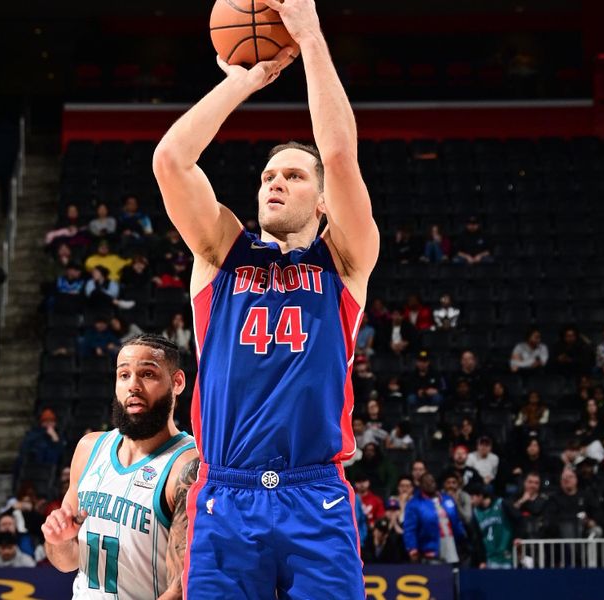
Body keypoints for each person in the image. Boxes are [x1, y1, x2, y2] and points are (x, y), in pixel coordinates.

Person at [152, 2, 378, 595]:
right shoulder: (222, 252)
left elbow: (339, 156)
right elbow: (172, 161)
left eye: (294, 176)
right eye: (267, 176)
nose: (275, 181)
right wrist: (242, 80)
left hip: (315, 495)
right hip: (225, 492)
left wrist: (309, 33)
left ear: (323, 202)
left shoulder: (344, 260)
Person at [42, 334, 198, 599]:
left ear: (177, 382)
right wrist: (58, 540)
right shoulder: (89, 448)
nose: (133, 386)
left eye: (147, 374)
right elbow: (66, 562)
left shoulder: (187, 465)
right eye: (124, 375)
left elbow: (180, 588)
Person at [403, 473, 466, 565]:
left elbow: (456, 520)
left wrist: (462, 536)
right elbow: (409, 530)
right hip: (430, 548)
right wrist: (412, 549)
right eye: (426, 482)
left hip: (452, 544)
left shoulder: (447, 499)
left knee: (454, 574)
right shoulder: (414, 504)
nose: (430, 484)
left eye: (432, 481)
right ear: (421, 485)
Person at [468, 483, 514, 568]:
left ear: (480, 496)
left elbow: (518, 521)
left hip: (507, 555)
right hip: (490, 558)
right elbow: (477, 539)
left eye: (472, 498)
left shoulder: (501, 504)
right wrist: (482, 560)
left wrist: (518, 537)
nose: (471, 501)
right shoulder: (475, 513)